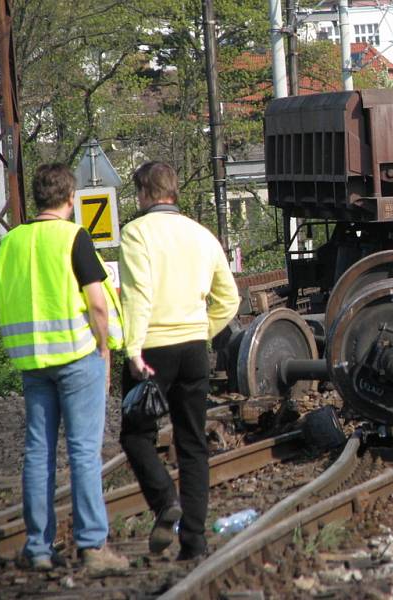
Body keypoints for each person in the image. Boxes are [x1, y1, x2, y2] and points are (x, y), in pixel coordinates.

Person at [0, 163, 128, 574]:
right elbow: (97, 302)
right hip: (76, 357)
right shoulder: (74, 238)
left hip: (32, 362)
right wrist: (104, 350)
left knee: (37, 452)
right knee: (84, 452)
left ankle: (37, 546)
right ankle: (92, 546)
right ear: (71, 199)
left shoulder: (11, 242)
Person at [119, 161, 238, 560]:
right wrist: (203, 332)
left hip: (152, 349)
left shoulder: (136, 233)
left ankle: (165, 500)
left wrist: (133, 349)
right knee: (192, 444)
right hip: (192, 350)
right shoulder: (202, 235)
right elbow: (230, 299)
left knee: (136, 435)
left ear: (146, 194)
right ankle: (194, 542)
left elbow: (138, 294)